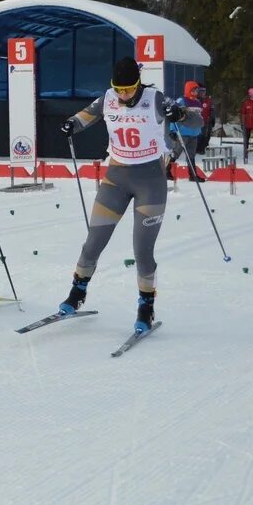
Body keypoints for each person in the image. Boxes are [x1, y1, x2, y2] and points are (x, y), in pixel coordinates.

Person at [58, 56, 201, 334]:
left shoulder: (155, 98)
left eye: (129, 89)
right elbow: (84, 117)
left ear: (138, 83)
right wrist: (71, 124)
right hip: (116, 180)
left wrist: (180, 115)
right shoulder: (107, 99)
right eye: (119, 89)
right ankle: (77, 294)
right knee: (93, 242)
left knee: (142, 251)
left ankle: (146, 307)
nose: (124, 95)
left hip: (150, 183)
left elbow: (196, 122)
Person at [167, 80, 205, 181]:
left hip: (194, 133)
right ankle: (167, 170)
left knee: (191, 155)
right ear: (188, 90)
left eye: (197, 90)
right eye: (193, 90)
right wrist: (172, 130)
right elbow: (174, 115)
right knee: (177, 152)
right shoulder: (181, 101)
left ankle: (193, 175)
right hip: (183, 132)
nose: (196, 92)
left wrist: (200, 128)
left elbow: (199, 117)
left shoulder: (197, 102)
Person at [197, 85, 215, 155]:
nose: (202, 93)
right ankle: (198, 148)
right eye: (201, 92)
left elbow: (212, 110)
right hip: (198, 122)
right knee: (199, 135)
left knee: (205, 135)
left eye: (203, 92)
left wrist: (212, 118)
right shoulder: (196, 100)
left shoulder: (208, 100)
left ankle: (202, 148)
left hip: (206, 121)